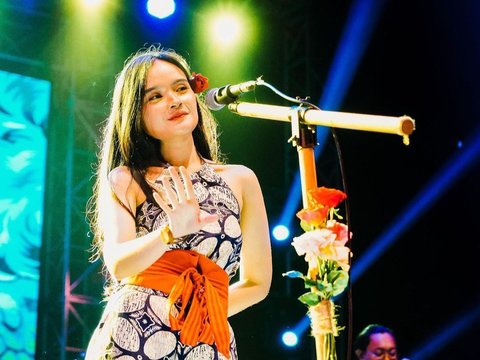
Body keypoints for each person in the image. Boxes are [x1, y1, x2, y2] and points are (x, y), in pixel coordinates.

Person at [85, 46, 272, 359]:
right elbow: (118, 264)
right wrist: (168, 233)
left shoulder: (240, 180)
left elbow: (257, 283)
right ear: (136, 114)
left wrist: (199, 311)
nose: (173, 100)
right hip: (135, 331)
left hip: (207, 335)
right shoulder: (127, 178)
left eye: (181, 88)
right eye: (154, 96)